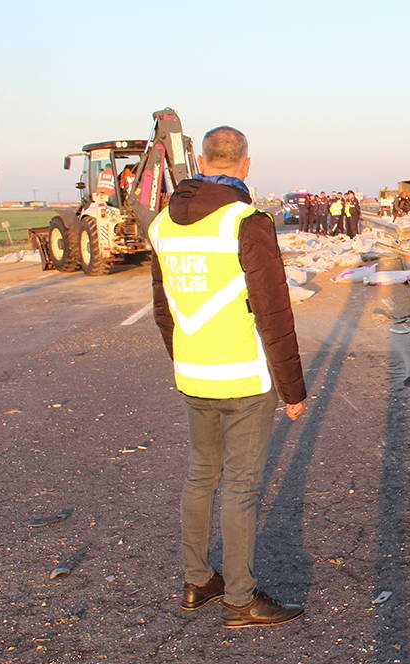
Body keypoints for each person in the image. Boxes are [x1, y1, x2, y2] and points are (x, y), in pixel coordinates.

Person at [149, 125, 308, 629]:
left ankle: (198, 581)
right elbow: (273, 311)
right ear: (245, 164)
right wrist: (293, 390)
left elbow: (163, 308)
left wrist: (184, 358)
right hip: (243, 377)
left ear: (200, 161)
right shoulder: (246, 221)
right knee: (240, 488)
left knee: (201, 476)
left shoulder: (162, 224)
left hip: (193, 373)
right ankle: (240, 598)